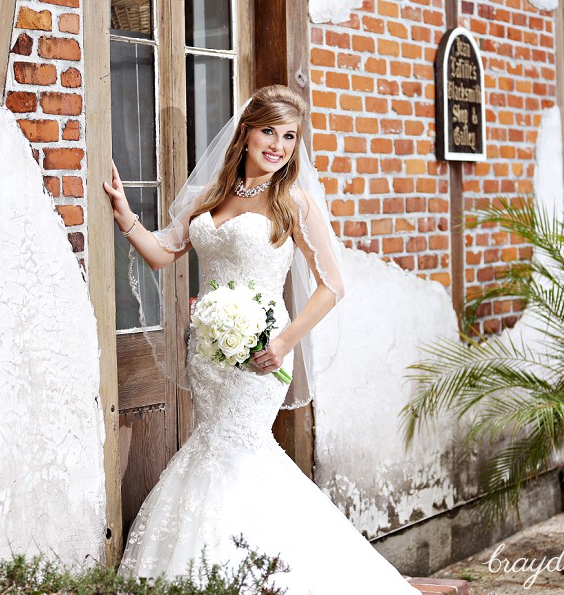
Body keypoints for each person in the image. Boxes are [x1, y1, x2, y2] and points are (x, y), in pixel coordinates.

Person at [104, 85, 418, 594]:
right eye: (269, 130)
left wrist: (285, 342)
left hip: (261, 360)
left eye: (289, 136)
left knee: (242, 457)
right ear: (246, 131)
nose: (278, 145)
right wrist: (125, 214)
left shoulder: (294, 201)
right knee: (210, 452)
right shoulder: (213, 197)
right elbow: (164, 251)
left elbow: (333, 284)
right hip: (209, 358)